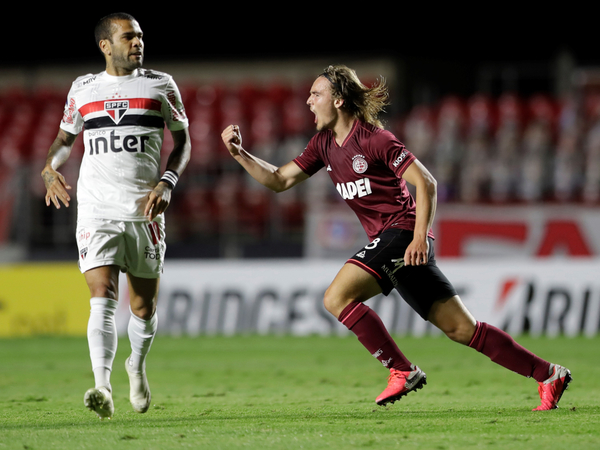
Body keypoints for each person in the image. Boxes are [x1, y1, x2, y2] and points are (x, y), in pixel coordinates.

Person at [221, 64, 571, 411]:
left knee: (336, 297)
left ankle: (401, 370)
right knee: (461, 329)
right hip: (396, 243)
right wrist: (240, 153)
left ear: (339, 100)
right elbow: (279, 180)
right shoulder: (323, 145)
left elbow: (427, 183)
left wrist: (420, 238)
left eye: (316, 94)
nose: (309, 102)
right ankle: (548, 374)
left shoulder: (375, 139)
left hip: (403, 234)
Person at [41, 12, 191, 419]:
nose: (138, 42)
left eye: (140, 36)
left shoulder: (160, 84)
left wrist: (168, 182)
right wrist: (50, 166)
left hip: (144, 208)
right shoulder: (83, 88)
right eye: (129, 37)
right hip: (96, 208)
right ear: (105, 45)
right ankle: (102, 387)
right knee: (102, 297)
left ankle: (136, 366)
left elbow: (183, 143)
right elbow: (63, 140)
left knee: (142, 309)